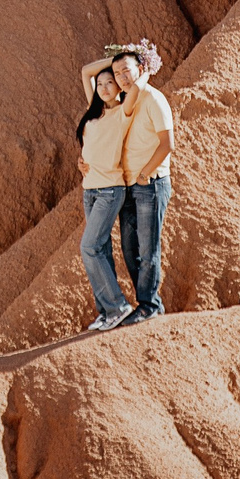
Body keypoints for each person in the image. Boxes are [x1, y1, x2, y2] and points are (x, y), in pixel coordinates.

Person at [79, 38, 173, 324]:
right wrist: (118, 62)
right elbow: (87, 73)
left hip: (147, 184)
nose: (117, 80)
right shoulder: (100, 109)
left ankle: (148, 305)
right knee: (129, 249)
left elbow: (167, 143)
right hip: (125, 186)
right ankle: (134, 306)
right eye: (113, 76)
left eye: (123, 74)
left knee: (146, 249)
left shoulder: (142, 102)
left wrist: (143, 68)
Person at [75, 62, 136, 330]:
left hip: (110, 190)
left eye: (110, 82)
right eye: (100, 85)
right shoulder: (95, 112)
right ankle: (106, 311)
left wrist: (119, 63)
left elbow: (137, 84)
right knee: (101, 249)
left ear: (119, 85)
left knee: (89, 247)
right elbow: (85, 72)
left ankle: (118, 306)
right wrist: (82, 160)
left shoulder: (122, 112)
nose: (103, 88)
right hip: (89, 190)